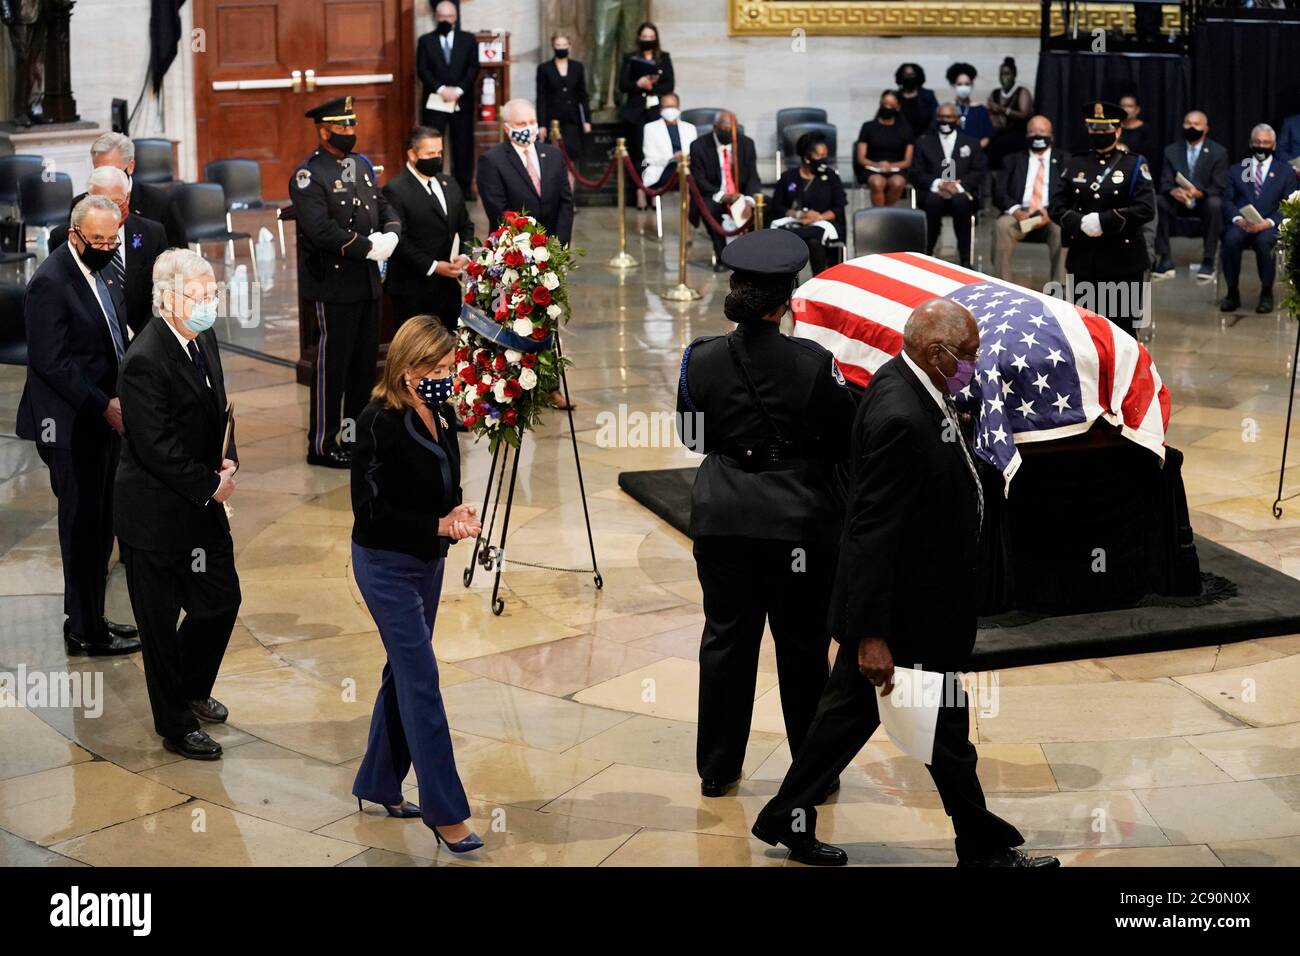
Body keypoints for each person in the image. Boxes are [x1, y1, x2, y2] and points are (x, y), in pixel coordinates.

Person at [751, 298, 1060, 870]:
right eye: (967, 354)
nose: (974, 362)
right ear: (935, 351)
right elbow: (872, 532)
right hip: (907, 616)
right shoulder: (900, 415)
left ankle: (784, 815)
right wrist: (871, 635)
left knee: (844, 721)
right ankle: (983, 848)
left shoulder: (911, 384)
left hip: (908, 607)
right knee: (947, 737)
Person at [675, 229, 856, 800]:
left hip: (723, 521)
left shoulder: (699, 357)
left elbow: (691, 438)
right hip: (798, 524)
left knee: (726, 643)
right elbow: (842, 439)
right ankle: (814, 775)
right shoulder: (814, 362)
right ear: (788, 301)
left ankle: (718, 768)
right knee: (803, 649)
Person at [350, 314, 485, 853]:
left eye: (451, 368)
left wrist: (455, 512)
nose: (449, 377)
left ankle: (378, 781)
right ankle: (445, 811)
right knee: (422, 679)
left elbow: (437, 484)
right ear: (409, 371)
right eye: (441, 368)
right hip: (385, 566)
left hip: (428, 561)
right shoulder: (376, 422)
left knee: (402, 673)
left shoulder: (443, 414)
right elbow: (369, 513)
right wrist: (435, 524)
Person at [115, 248, 241, 760]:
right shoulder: (145, 359)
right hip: (155, 514)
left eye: (213, 293)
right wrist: (209, 484)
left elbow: (219, 410)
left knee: (220, 600)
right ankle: (175, 723)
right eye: (202, 295)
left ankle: (191, 685)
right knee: (160, 625)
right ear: (169, 299)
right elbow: (155, 446)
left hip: (200, 500)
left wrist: (228, 460)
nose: (211, 303)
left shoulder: (202, 336)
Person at [15, 195, 140, 657]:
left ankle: (95, 617)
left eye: (113, 239)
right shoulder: (50, 282)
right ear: (75, 236)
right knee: (81, 526)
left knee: (100, 524)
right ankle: (83, 629)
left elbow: (111, 336)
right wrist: (103, 405)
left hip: (102, 416)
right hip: (69, 425)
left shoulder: (102, 268)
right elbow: (52, 363)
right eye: (98, 240)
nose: (107, 247)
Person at [290, 95, 402, 470]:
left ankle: (352, 439)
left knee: (361, 370)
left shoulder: (360, 165)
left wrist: (392, 233)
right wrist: (367, 247)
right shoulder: (309, 175)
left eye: (352, 126)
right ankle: (321, 445)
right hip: (334, 286)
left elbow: (380, 204)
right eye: (342, 127)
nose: (350, 133)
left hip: (367, 284)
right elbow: (320, 230)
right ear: (324, 131)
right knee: (330, 370)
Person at [1049, 100, 1156, 339]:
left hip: (1123, 262)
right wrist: (1078, 222)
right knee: (1083, 332)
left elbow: (1146, 208)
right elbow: (1056, 206)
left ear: (1118, 131)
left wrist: (1105, 221)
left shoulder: (1135, 164)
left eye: (1105, 130)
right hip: (1084, 260)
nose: (1099, 135)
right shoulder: (1075, 163)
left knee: (1123, 333)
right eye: (1094, 129)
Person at [52, 166, 167, 335]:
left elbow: (164, 292)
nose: (110, 210)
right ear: (88, 199)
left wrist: (144, 338)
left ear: (127, 198)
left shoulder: (152, 233)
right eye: (101, 202)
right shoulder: (64, 237)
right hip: (89, 340)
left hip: (146, 335)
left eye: (116, 202)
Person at [383, 126, 473, 331]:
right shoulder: (395, 190)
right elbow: (399, 240)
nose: (437, 158)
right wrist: (434, 266)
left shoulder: (448, 183)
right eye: (430, 153)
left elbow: (465, 224)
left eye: (440, 153)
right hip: (412, 290)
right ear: (413, 154)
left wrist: (464, 255)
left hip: (447, 288)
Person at [1220, 124, 1297, 315]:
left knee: (1265, 243)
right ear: (1251, 143)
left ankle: (1266, 292)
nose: (1261, 146)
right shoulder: (1237, 170)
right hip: (1242, 224)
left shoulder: (1285, 172)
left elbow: (1290, 204)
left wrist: (1269, 222)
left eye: (1265, 142)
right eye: (1257, 142)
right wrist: (1238, 219)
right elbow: (1227, 200)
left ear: (1274, 145)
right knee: (1230, 240)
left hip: (1269, 225)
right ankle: (1232, 292)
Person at [477, 98, 575, 245]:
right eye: (521, 124)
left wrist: (558, 244)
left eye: (532, 122)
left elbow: (566, 203)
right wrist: (530, 248)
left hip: (554, 248)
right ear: (506, 128)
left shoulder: (553, 155)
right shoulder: (491, 161)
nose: (528, 128)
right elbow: (498, 211)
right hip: (514, 251)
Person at [1152, 111, 1228, 282]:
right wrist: (1174, 191)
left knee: (1215, 204)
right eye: (1188, 123)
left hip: (1203, 199)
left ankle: (1208, 260)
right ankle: (1164, 258)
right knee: (1159, 201)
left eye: (1196, 124)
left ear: (1205, 128)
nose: (1191, 127)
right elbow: (1165, 181)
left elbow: (1219, 186)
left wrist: (1199, 192)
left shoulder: (1218, 152)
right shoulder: (1171, 150)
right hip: (1178, 200)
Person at [912, 102, 987, 268]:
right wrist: (940, 184)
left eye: (949, 117)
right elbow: (916, 173)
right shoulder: (924, 143)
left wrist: (957, 187)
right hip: (933, 192)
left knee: (960, 202)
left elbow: (979, 171)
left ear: (957, 120)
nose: (944, 121)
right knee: (933, 202)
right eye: (941, 117)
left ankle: (966, 259)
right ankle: (927, 252)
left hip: (961, 191)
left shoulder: (972, 143)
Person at [992, 115, 1064, 285]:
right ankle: (1002, 286)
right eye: (1033, 132)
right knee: (1002, 225)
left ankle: (1059, 287)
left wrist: (1053, 211)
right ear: (1026, 136)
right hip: (1020, 215)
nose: (1037, 136)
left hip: (1051, 215)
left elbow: (1069, 193)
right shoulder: (1012, 160)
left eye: (1042, 131)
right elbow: (999, 191)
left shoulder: (1065, 161)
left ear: (1051, 135)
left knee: (1062, 229)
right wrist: (1015, 210)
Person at [416, 1, 479, 194]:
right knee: (432, 142)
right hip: (436, 102)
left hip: (462, 101)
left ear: (455, 18)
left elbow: (473, 68)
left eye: (449, 16)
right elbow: (423, 70)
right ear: (436, 17)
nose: (445, 20)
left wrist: (459, 89)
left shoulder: (468, 40)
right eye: (441, 16)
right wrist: (441, 89)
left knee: (463, 144)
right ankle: (431, 185)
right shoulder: (426, 41)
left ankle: (463, 187)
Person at [83, 131, 185, 247]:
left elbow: (179, 256)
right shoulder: (82, 204)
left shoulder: (159, 203)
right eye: (100, 171)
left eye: (113, 171)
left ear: (130, 167)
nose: (107, 177)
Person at [687, 110, 762, 269]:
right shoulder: (699, 146)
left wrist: (748, 200)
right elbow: (699, 180)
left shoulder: (746, 144)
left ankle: (753, 253)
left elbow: (753, 177)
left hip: (740, 193)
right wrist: (723, 196)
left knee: (764, 206)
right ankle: (723, 257)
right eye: (727, 129)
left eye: (734, 129)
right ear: (716, 127)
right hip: (713, 193)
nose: (731, 134)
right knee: (709, 209)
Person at [768, 132, 846, 275]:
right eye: (819, 156)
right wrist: (799, 214)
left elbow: (839, 207)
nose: (824, 160)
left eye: (825, 156)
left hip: (824, 223)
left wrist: (818, 217)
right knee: (813, 242)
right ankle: (817, 281)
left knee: (814, 234)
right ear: (806, 157)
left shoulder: (831, 176)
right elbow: (778, 206)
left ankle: (791, 234)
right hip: (797, 222)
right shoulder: (788, 177)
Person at [618, 20, 674, 209]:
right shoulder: (630, 57)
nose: (648, 40)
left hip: (655, 111)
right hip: (636, 113)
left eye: (651, 37)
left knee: (656, 152)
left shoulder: (664, 58)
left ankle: (655, 191)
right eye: (644, 37)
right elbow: (623, 84)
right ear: (639, 38)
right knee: (638, 152)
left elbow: (669, 85)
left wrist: (652, 85)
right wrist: (638, 84)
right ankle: (640, 191)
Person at [536, 30, 592, 188]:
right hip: (553, 121)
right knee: (553, 160)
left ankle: (570, 200)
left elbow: (583, 95)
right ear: (553, 46)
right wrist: (541, 124)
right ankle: (554, 199)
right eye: (558, 45)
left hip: (572, 121)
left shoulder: (577, 67)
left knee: (571, 161)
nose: (561, 47)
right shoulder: (544, 68)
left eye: (564, 45)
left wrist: (587, 120)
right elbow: (541, 97)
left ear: (570, 46)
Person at [854, 90, 914, 206]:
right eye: (885, 104)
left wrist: (890, 166)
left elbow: (907, 161)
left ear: (897, 107)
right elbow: (861, 158)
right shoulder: (868, 127)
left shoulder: (906, 129)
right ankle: (879, 214)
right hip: (872, 167)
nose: (887, 108)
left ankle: (887, 213)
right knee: (877, 182)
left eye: (891, 105)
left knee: (897, 183)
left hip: (897, 168)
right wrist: (878, 165)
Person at [985, 56, 1033, 170]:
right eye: (1001, 74)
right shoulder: (995, 93)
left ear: (1014, 75)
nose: (1004, 77)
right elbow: (991, 115)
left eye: (1007, 74)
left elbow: (1024, 115)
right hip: (999, 135)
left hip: (1018, 136)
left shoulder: (1022, 92)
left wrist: (1002, 110)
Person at [641, 91, 696, 189]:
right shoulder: (650, 128)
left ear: (678, 107)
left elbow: (695, 153)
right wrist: (672, 158)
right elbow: (649, 158)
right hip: (663, 170)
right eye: (665, 107)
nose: (669, 110)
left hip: (687, 168)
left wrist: (684, 157)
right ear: (660, 109)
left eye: (672, 106)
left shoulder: (690, 128)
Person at [947, 62, 992, 149]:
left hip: (976, 154)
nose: (963, 87)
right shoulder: (948, 109)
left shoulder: (981, 109)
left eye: (967, 84)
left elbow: (987, 136)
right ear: (953, 85)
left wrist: (973, 151)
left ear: (972, 85)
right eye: (959, 84)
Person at [895, 62, 937, 137]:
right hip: (900, 139)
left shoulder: (927, 95)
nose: (909, 77)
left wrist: (926, 135)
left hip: (924, 139)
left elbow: (935, 117)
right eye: (906, 75)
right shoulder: (896, 96)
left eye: (912, 75)